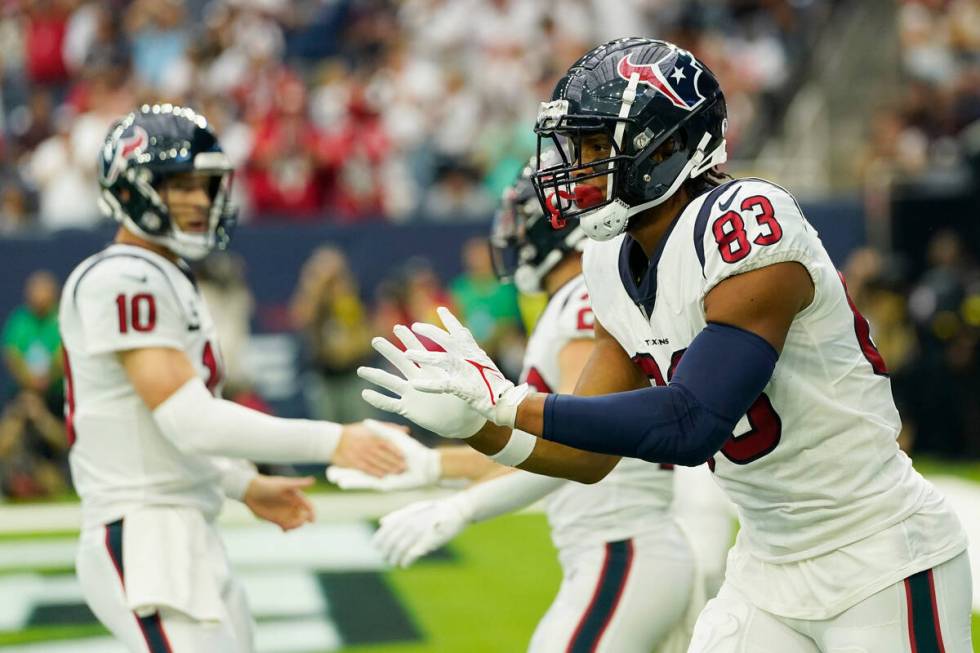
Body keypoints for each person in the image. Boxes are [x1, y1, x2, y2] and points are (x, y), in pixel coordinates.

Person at [358, 39, 973, 652]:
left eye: (598, 147)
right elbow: (586, 458)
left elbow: (692, 420)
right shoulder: (604, 262)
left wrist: (510, 404)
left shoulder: (749, 220)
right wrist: (479, 424)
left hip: (878, 552)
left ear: (667, 144)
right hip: (766, 564)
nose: (577, 168)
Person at [333, 161, 735, 652]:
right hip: (615, 549)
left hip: (622, 544)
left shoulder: (582, 301)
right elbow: (541, 447)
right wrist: (433, 464)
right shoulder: (575, 299)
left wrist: (463, 507)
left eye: (525, 216)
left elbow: (579, 444)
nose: (512, 232)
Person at [59, 104, 408, 653]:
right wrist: (336, 440)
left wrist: (242, 485)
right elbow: (189, 419)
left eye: (205, 185)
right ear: (131, 187)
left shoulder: (162, 273)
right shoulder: (124, 277)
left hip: (182, 527)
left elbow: (164, 435)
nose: (199, 200)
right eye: (179, 185)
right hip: (146, 532)